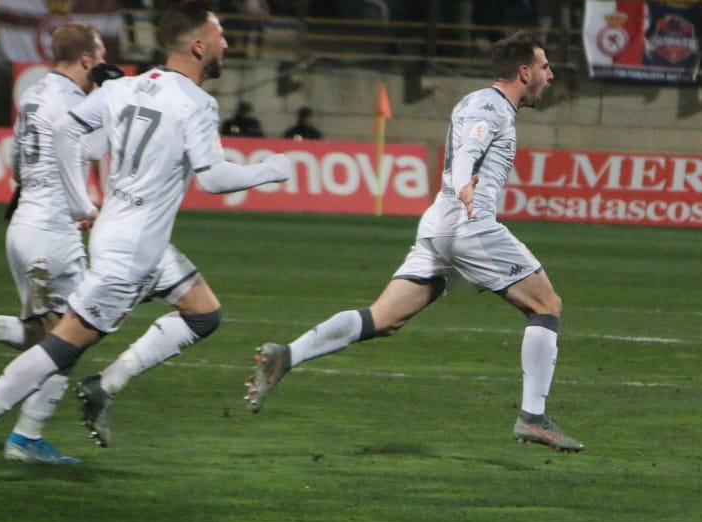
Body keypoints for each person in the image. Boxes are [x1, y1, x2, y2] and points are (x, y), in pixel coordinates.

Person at [0, 0, 293, 483]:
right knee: (62, 346)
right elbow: (212, 180)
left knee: (204, 312)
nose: (226, 43)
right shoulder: (196, 103)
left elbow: (66, 131)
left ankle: (106, 384)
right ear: (197, 44)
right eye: (221, 34)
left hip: (127, 235)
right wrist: (270, 170)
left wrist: (84, 202)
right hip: (132, 250)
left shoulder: (125, 86)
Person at [245, 32, 584, 452]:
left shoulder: (479, 102)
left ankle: (287, 355)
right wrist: (464, 187)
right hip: (469, 222)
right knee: (546, 304)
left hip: (442, 225)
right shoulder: (489, 107)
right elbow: (468, 152)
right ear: (524, 71)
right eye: (545, 66)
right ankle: (533, 417)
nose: (550, 75)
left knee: (383, 318)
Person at [0, 23, 119, 465]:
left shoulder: (33, 94)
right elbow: (85, 155)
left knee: (45, 333)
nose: (104, 61)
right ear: (87, 59)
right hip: (52, 235)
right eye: (101, 53)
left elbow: (16, 157)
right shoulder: (72, 103)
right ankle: (23, 437)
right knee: (71, 340)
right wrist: (86, 210)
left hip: (24, 227)